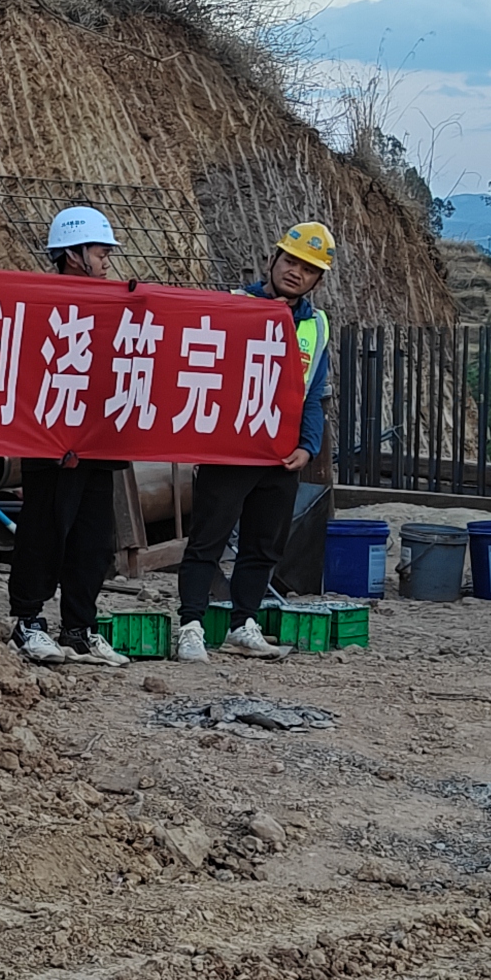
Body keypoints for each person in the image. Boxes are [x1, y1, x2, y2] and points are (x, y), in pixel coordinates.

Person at [173, 218, 335, 663]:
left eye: (307, 268)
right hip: (230, 449)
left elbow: (314, 393)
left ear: (317, 280)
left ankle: (244, 623)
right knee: (208, 539)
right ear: (273, 259)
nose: (295, 272)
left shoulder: (316, 326)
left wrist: (307, 445)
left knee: (264, 546)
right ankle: (191, 625)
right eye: (290, 261)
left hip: (280, 453)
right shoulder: (230, 307)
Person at [10, 204, 130, 665]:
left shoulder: (111, 304)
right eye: (101, 251)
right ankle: (27, 621)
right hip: (52, 442)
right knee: (43, 531)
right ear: (74, 254)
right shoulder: (43, 302)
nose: (106, 261)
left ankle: (79, 627)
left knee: (94, 539)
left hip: (97, 442)